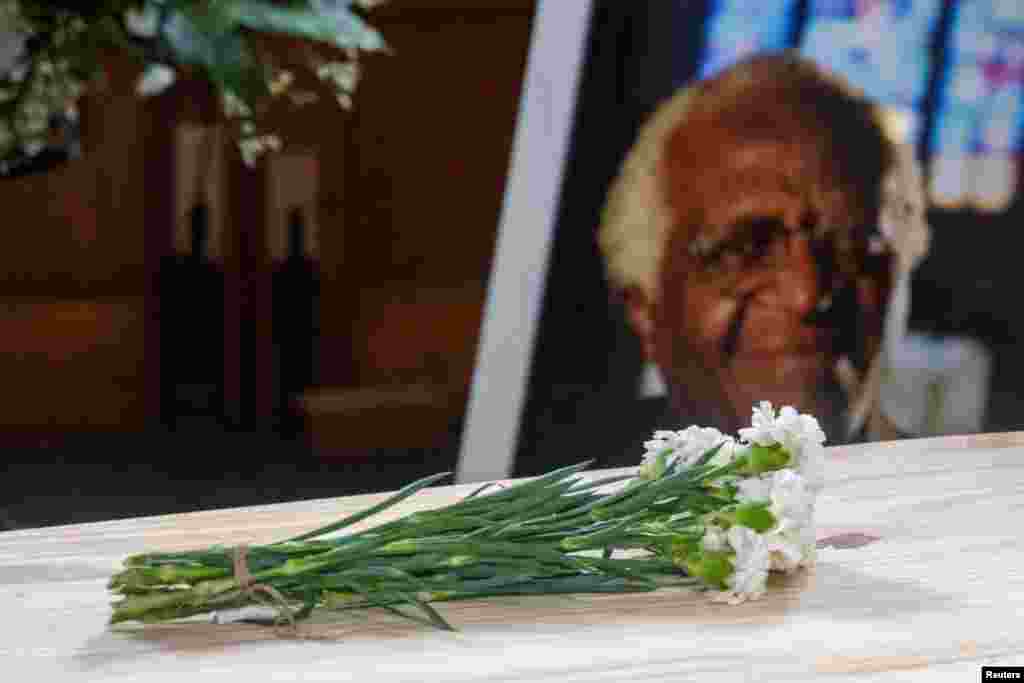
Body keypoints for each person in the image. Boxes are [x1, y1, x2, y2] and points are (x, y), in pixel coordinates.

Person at [597, 51, 930, 448]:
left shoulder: (976, 501)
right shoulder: (564, 498)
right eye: (745, 249)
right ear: (644, 311)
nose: (807, 293)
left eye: (853, 243)